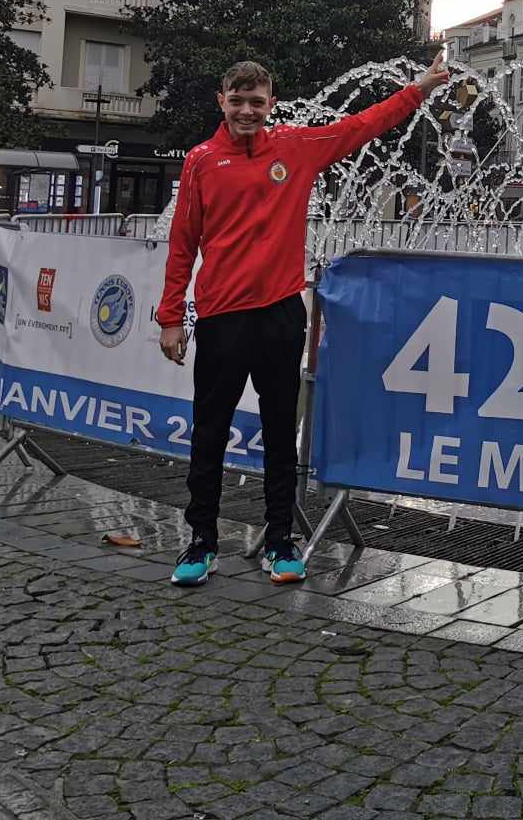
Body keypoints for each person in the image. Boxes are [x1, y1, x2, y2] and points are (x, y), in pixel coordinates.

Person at [158, 57, 447, 587]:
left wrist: (417, 91)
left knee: (278, 432)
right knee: (209, 432)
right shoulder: (201, 161)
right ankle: (200, 543)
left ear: (271, 104)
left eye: (257, 102)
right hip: (222, 316)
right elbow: (183, 243)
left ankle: (279, 540)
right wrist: (171, 316)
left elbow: (361, 125)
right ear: (221, 101)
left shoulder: (295, 147)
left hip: (281, 313)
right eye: (237, 101)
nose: (247, 111)